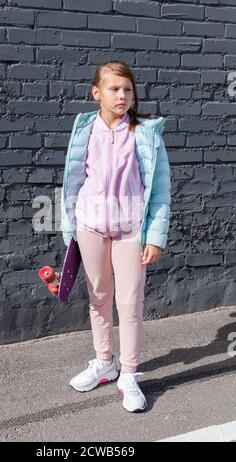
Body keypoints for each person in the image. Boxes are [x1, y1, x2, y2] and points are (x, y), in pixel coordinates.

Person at [61, 60, 171, 413]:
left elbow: (161, 191)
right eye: (114, 89)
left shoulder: (145, 132)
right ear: (96, 93)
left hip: (130, 231)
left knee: (129, 303)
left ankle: (129, 373)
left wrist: (154, 236)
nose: (122, 95)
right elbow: (73, 181)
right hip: (90, 227)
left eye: (127, 89)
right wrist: (71, 226)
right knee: (98, 298)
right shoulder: (84, 129)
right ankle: (104, 362)